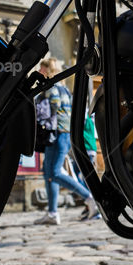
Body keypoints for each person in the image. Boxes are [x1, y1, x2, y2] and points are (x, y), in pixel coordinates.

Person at [34, 58, 99, 225]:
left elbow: (53, 107)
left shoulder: (51, 87)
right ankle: (53, 213)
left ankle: (89, 197)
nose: (39, 71)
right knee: (48, 174)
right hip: (63, 134)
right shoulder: (64, 88)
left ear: (48, 70)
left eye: (41, 68)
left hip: (57, 134)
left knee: (54, 172)